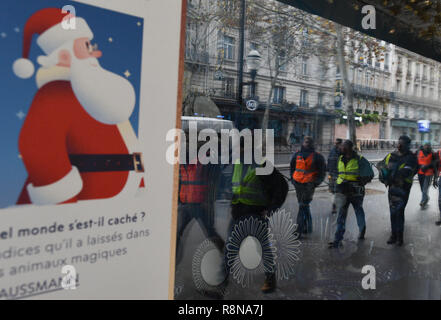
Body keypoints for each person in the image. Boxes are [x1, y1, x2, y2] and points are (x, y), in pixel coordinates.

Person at [228, 138, 287, 294]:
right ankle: (220, 282)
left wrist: (271, 208)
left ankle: (270, 278)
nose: (235, 150)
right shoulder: (237, 163)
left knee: (262, 249)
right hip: (238, 214)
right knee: (230, 248)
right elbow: (233, 185)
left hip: (256, 215)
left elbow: (282, 187)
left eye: (238, 148)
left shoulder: (262, 165)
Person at [175, 142, 224, 265]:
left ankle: (226, 256)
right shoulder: (181, 163)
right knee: (177, 235)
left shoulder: (205, 160)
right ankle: (172, 265)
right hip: (185, 204)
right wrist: (178, 200)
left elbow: (217, 179)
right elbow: (179, 181)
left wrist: (210, 199)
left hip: (202, 204)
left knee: (210, 233)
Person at [328, 140, 374, 248]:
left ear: (348, 148)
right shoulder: (340, 158)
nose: (340, 148)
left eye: (343, 147)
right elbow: (338, 174)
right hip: (343, 191)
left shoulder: (359, 159)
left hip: (356, 192)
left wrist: (361, 181)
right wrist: (336, 186)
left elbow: (370, 174)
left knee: (358, 211)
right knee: (341, 215)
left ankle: (362, 231)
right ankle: (337, 239)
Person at [378, 136, 418, 246]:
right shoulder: (392, 155)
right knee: (392, 212)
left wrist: (391, 177)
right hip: (392, 188)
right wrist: (383, 175)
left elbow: (407, 172)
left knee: (399, 212)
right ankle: (393, 235)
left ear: (407, 145)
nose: (399, 146)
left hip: (403, 189)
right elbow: (381, 165)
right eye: (398, 143)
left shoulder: (411, 158)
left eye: (402, 144)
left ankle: (399, 237)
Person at [290, 136, 326, 237]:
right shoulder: (297, 154)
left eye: (309, 142)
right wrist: (292, 179)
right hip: (298, 183)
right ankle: (308, 227)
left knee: (302, 205)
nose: (307, 143)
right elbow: (292, 167)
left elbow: (322, 172)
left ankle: (299, 229)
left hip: (309, 184)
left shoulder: (317, 156)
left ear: (312, 144)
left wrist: (316, 183)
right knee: (304, 205)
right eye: (306, 142)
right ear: (303, 143)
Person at [417, 141, 436, 208]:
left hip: (428, 173)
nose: (427, 146)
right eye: (425, 145)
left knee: (425, 188)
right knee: (422, 189)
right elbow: (416, 162)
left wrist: (427, 166)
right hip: (420, 173)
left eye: (428, 145)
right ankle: (426, 198)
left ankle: (423, 202)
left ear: (430, 146)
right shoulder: (419, 152)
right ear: (423, 145)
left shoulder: (432, 153)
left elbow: (435, 164)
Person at [327, 138, 343, 214]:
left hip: (340, 175)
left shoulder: (343, 152)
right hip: (333, 174)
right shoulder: (332, 151)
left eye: (337, 144)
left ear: (340, 144)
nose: (336, 145)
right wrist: (329, 172)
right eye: (335, 143)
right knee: (334, 192)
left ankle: (339, 206)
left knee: (340, 192)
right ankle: (334, 206)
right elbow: (329, 161)